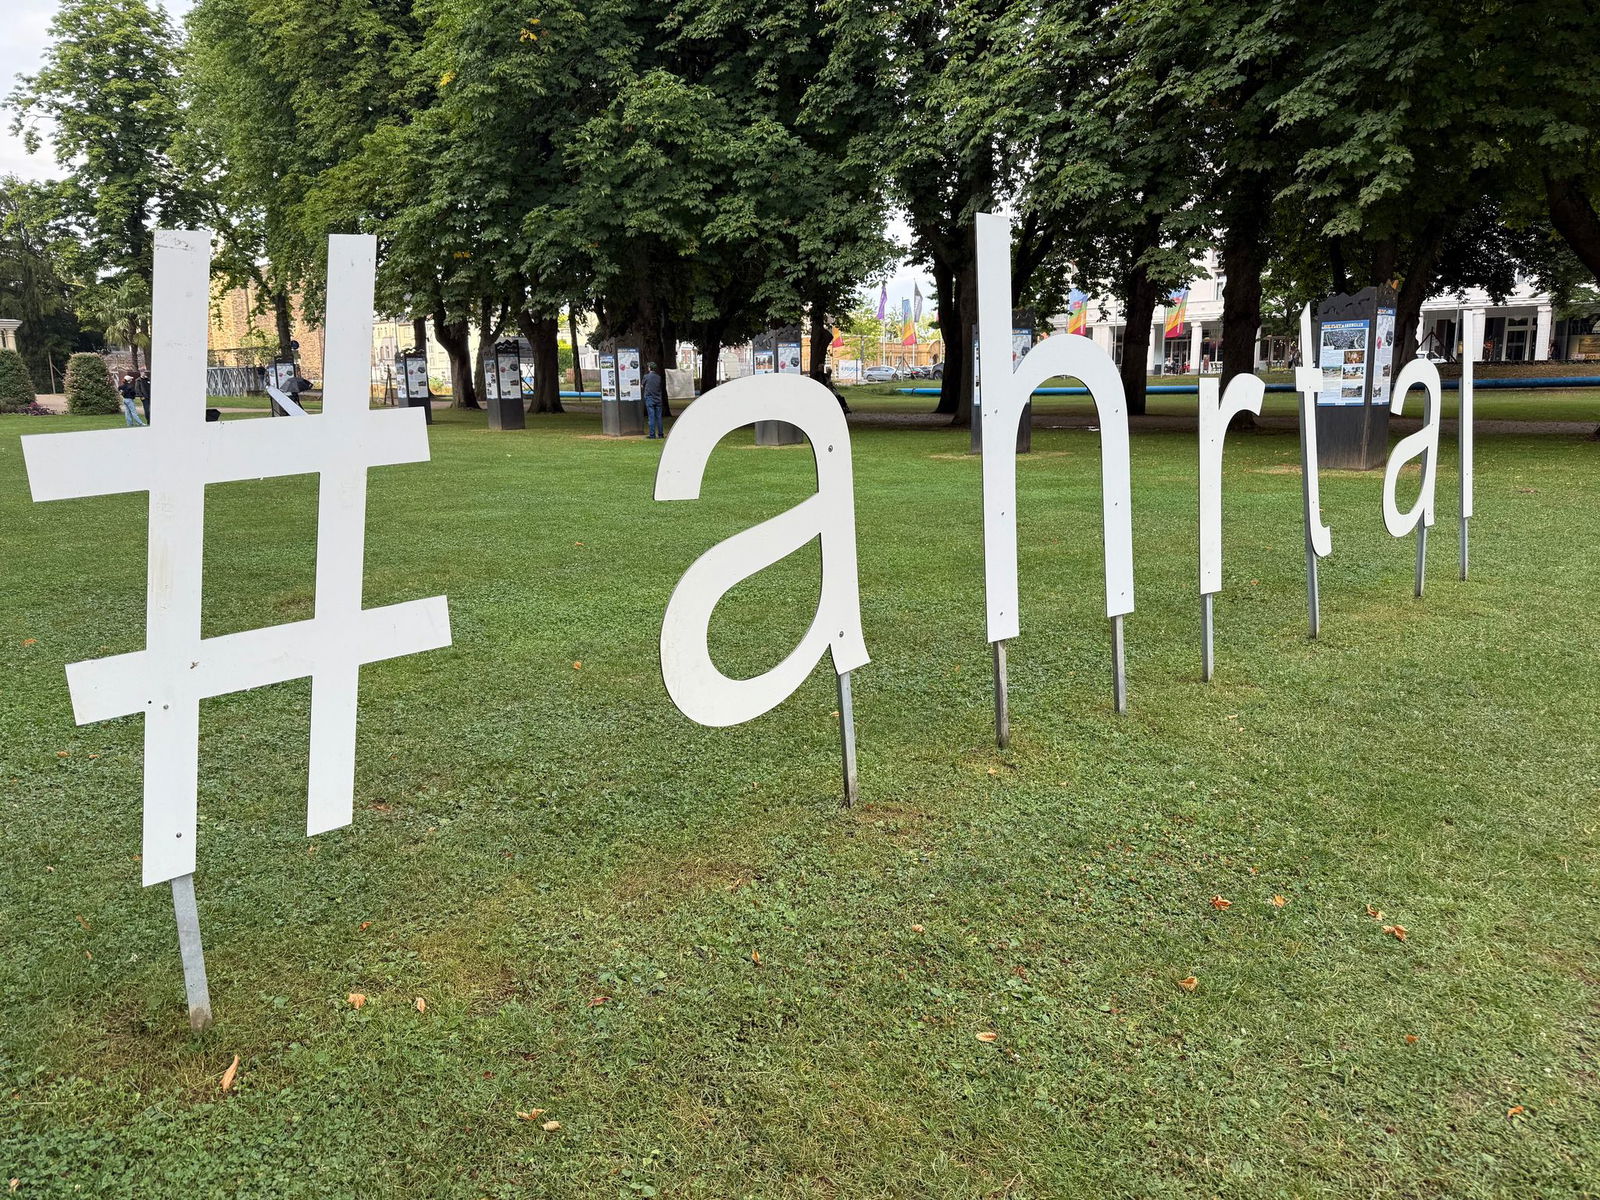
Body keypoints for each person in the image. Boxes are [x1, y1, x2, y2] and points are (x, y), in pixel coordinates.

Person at [642, 361, 665, 438]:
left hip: (650, 398)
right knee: (659, 417)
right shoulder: (659, 377)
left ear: (649, 368)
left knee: (651, 417)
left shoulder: (646, 376)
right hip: (658, 398)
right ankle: (661, 434)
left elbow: (642, 385)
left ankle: (652, 435)